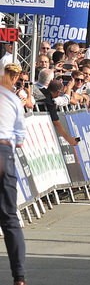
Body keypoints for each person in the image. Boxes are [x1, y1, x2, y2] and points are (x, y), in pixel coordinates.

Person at [0, 64, 27, 285]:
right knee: (9, 216)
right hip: (4, 150)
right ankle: (19, 275)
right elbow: (20, 139)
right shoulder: (14, 99)